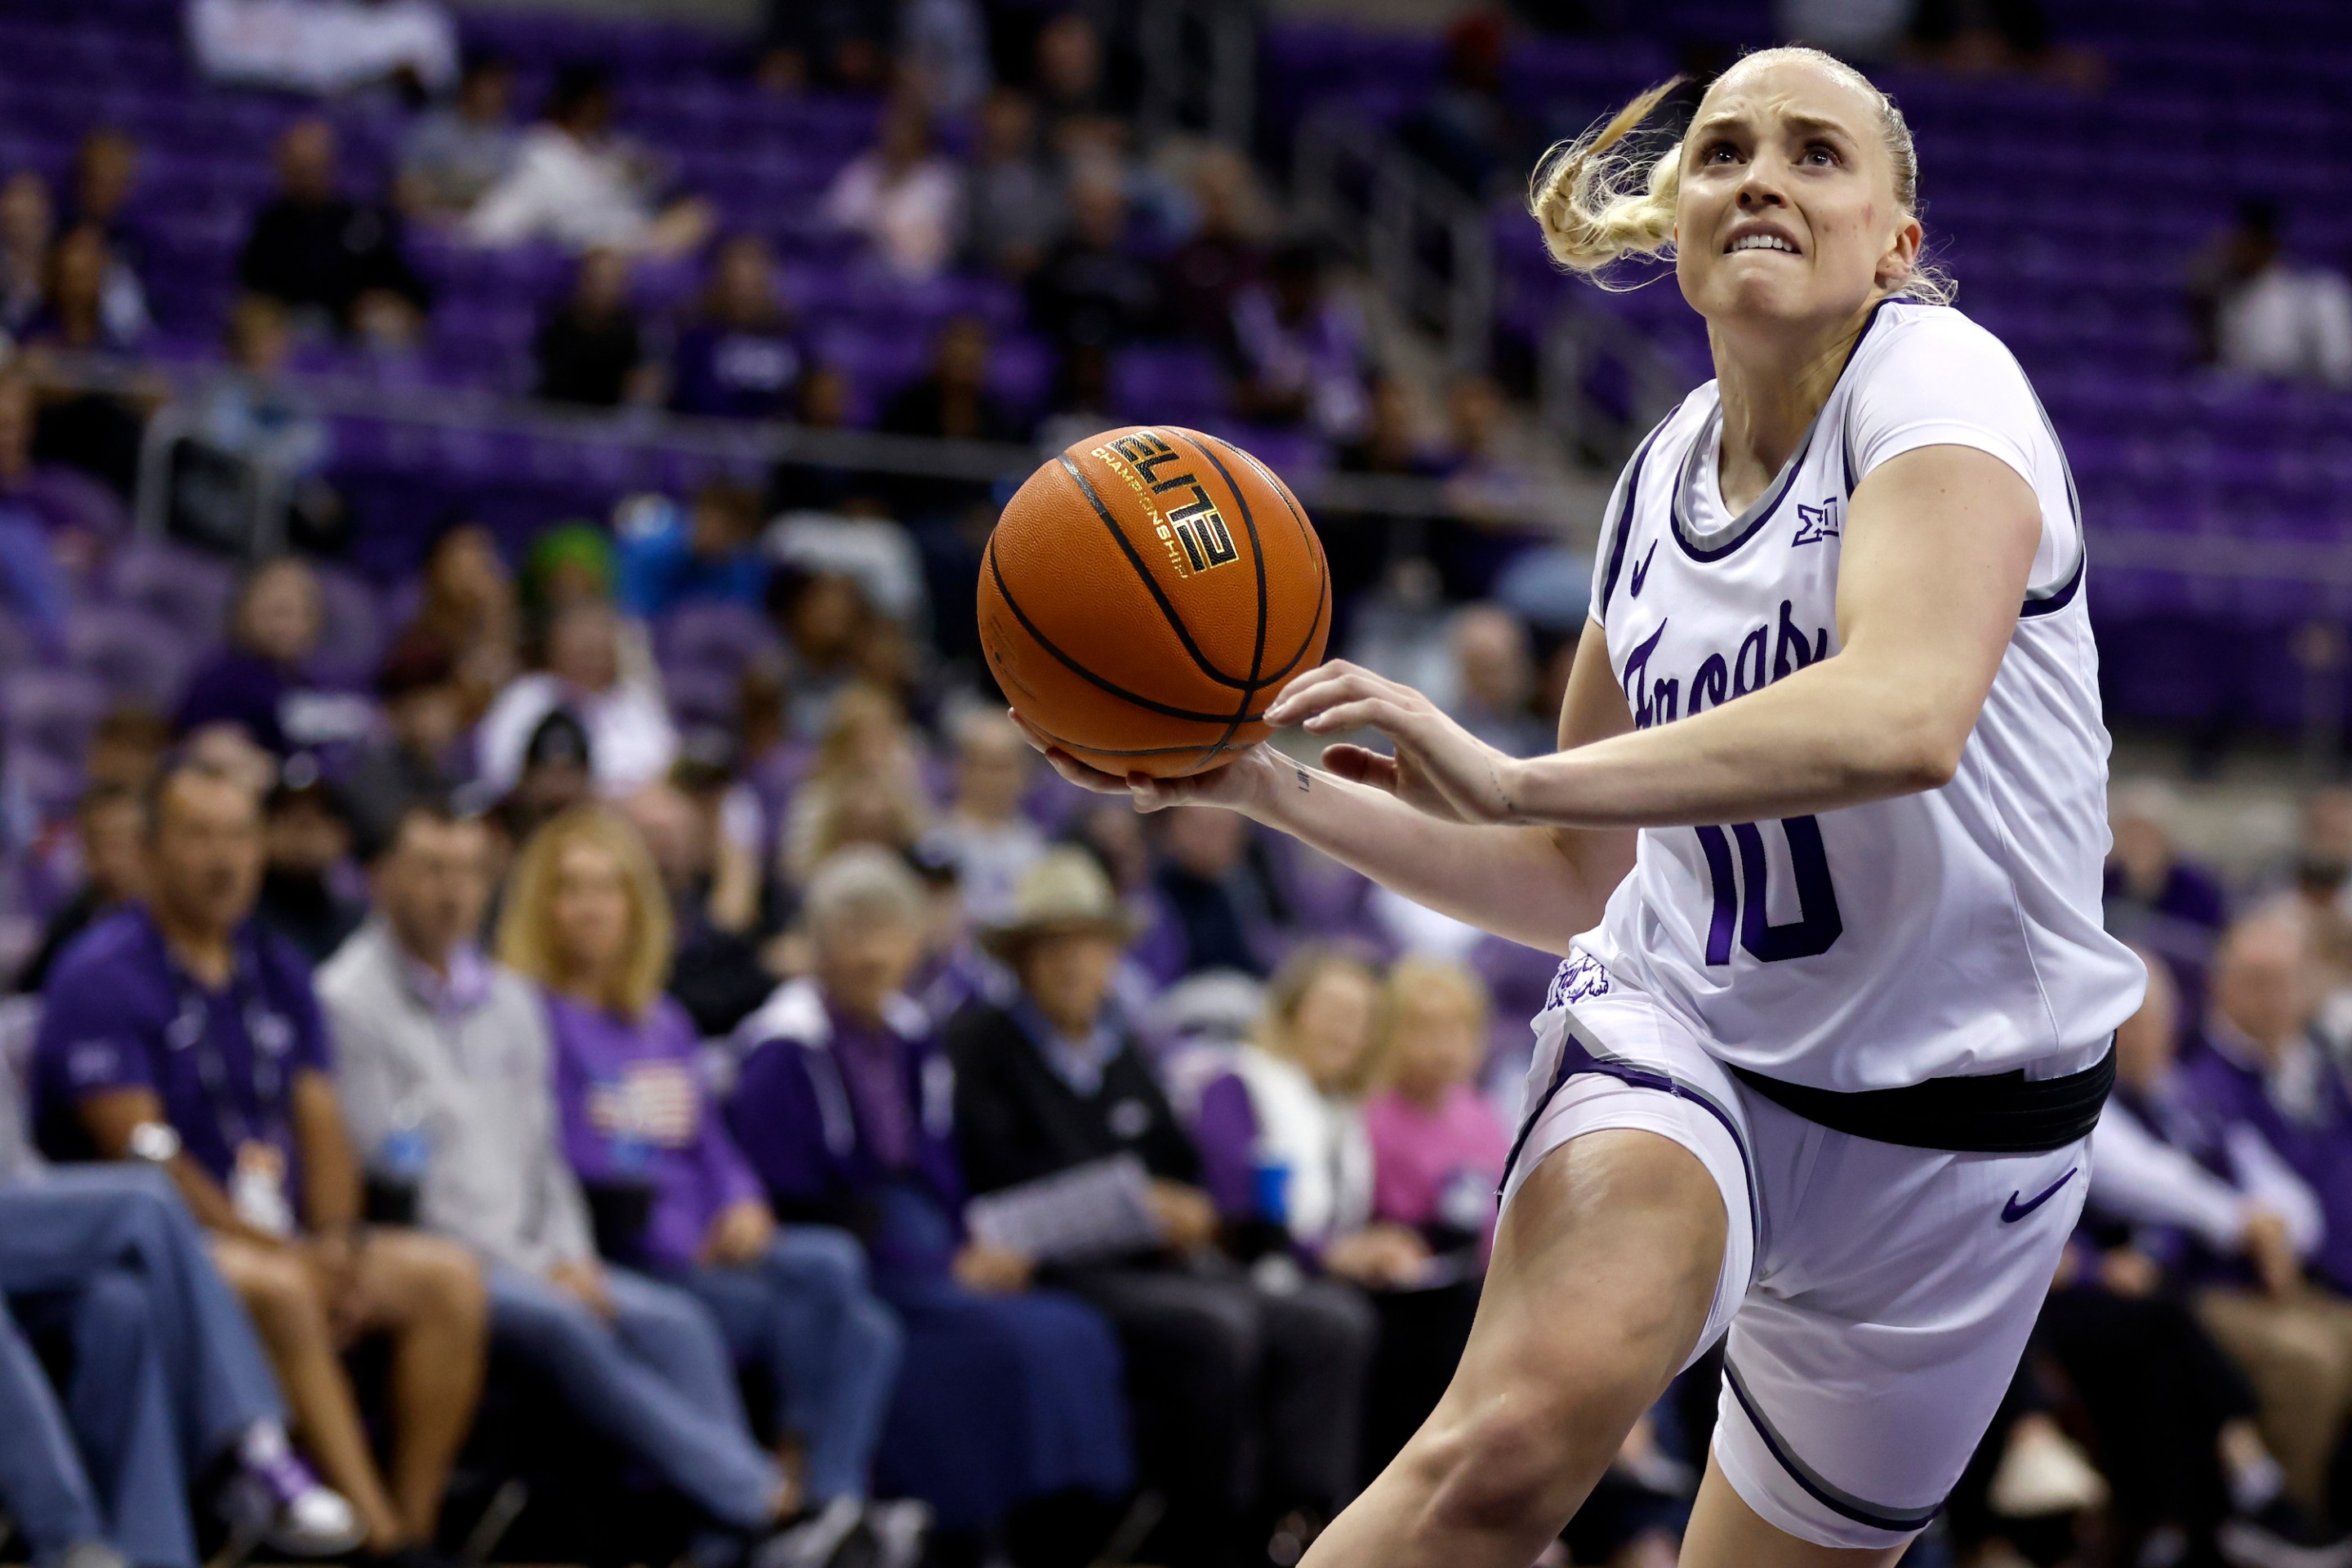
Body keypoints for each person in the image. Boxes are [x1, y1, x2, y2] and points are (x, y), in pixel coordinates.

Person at [1020, 47, 2145, 1566]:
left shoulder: (1944, 387)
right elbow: (1566, 874)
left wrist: (1510, 773)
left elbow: (1904, 713)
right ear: (1678, 217)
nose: (1760, 172)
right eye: (1726, 148)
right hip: (1695, 1051)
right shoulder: (1652, 486)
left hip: (1966, 1144)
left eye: (1818, 154)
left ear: (1898, 245)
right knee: (1501, 1452)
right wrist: (1259, 785)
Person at [314, 802, 818, 1560]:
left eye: (467, 872)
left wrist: (573, 1256)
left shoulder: (507, 998)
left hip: (539, 1250)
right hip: (439, 1260)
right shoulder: (348, 1002)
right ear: (383, 880)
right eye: (431, 871)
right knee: (568, 1324)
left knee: (677, 1326)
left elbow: (544, 1155)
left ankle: (721, 1549)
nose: (451, 892)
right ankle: (757, 1501)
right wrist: (541, 1272)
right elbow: (399, 1180)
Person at [31, 761, 488, 1566]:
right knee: (277, 1290)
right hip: (175, 1244)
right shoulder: (100, 973)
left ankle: (420, 1527)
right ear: (149, 848)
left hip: (288, 1234)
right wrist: (275, 1247)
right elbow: (140, 1150)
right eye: (198, 835)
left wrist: (341, 1238)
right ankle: (377, 1541)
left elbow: (321, 1121)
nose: (223, 858)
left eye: (240, 835)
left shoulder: (274, 967)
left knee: (446, 1277)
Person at [496, 806, 915, 1552]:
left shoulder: (661, 1020)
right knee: (847, 1315)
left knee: (846, 1284)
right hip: (633, 1251)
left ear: (636, 905)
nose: (593, 908)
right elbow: (560, 1156)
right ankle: (802, 1511)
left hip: (710, 1248)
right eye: (572, 890)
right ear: (541, 906)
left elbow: (711, 1144)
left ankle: (819, 1508)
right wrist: (692, 1234)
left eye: (610, 889)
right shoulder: (531, 1017)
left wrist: (745, 1204)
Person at [948, 849, 1374, 1566]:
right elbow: (992, 1174)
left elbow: (1179, 1163)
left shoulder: (1122, 1045)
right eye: (1055, 945)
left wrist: (1186, 1207)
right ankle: (1210, 1539)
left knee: (1330, 1322)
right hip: (1053, 1265)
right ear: (1022, 958)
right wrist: (1121, 1202)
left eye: (1089, 943)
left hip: (1155, 1256)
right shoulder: (982, 1045)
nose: (1075, 963)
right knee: (1217, 1329)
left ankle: (1307, 1526)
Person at [724, 848, 1133, 1547]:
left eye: (888, 932)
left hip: (929, 1245)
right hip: (855, 1260)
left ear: (916, 942)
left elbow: (940, 1167)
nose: (873, 955)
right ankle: (969, 1532)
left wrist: (972, 1246)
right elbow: (786, 1196)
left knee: (1075, 1329)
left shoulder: (912, 1037)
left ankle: (1069, 1527)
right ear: (818, 947)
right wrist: (933, 1262)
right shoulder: (782, 1052)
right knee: (1010, 1346)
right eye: (852, 935)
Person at [1192, 947, 1482, 1484]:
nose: (1346, 1031)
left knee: (1459, 1310)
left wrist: (1389, 1244)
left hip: (1321, 1273)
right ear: (1291, 1012)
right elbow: (1237, 1209)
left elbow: (1350, 1220)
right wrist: (1328, 1254)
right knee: (1345, 1324)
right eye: (1332, 1013)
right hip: (1251, 1271)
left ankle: (1439, 1498)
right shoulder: (1238, 1082)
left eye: (1361, 1020)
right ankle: (1316, 1513)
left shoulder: (1342, 1109)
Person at [466, 64, 712, 257]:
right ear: (578, 105)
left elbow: (663, 178)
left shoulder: (613, 147)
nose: (604, 113)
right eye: (596, 105)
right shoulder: (543, 152)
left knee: (698, 215)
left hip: (631, 238)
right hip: (593, 249)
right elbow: (492, 225)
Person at [1363, 956, 1510, 1263]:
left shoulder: (1483, 1114)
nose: (1446, 1045)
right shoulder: (1368, 1117)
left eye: (1460, 1027)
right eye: (1426, 1027)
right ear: (1388, 1033)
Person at [237, 118, 427, 345]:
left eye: (313, 166)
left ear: (331, 166)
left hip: (354, 327)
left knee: (387, 322)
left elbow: (402, 285)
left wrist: (382, 303)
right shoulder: (269, 225)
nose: (305, 177)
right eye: (297, 167)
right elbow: (255, 288)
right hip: (287, 328)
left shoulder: (361, 221)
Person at [475, 599, 677, 795]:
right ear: (556, 649)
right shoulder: (527, 697)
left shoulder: (634, 699)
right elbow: (501, 772)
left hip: (637, 815)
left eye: (601, 650)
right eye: (586, 651)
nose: (595, 661)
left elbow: (668, 762)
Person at [174, 556, 363, 758]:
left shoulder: (307, 680)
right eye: (277, 612)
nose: (286, 626)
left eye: (301, 613)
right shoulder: (220, 678)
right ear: (245, 610)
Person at [2187, 197, 2352, 387]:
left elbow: (2341, 371)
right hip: (2247, 407)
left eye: (2249, 242)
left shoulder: (2316, 294)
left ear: (2269, 244)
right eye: (2237, 242)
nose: (2239, 250)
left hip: (2303, 405)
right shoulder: (2224, 298)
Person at [342, 637, 467, 861]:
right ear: (394, 714)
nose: (432, 721)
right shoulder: (371, 779)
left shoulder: (453, 774)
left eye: (440, 706)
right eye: (421, 708)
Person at [15, 782, 146, 995]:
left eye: (119, 841)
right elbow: (28, 994)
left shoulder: (173, 921)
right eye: (96, 842)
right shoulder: (72, 920)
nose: (109, 858)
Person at [917, 709, 1044, 924]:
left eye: (1010, 766)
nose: (1003, 779)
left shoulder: (1034, 846)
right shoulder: (936, 847)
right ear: (963, 769)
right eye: (993, 767)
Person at [821, 98, 962, 286]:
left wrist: (875, 225)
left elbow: (925, 240)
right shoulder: (864, 168)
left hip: (917, 278)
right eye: (893, 129)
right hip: (859, 271)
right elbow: (834, 217)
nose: (897, 137)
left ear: (923, 137)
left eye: (906, 130)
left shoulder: (941, 179)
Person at [668, 234, 803, 421]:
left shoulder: (790, 334)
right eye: (736, 279)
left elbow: (798, 399)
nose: (744, 289)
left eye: (752, 279)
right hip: (706, 440)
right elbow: (687, 397)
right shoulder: (697, 334)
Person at [614, 479, 768, 621]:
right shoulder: (650, 553)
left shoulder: (743, 572)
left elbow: (739, 622)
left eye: (728, 530)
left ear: (742, 535)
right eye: (712, 521)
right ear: (699, 513)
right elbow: (636, 614)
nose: (716, 534)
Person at [396, 53, 521, 221]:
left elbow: (508, 198)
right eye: (486, 88)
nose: (492, 96)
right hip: (433, 219)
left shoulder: (512, 141)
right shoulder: (434, 128)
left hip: (484, 225)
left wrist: (449, 187)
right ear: (467, 87)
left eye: (499, 89)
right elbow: (406, 189)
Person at [961, 89, 1062, 282]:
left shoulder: (1050, 172)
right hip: (984, 276)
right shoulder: (968, 177)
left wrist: (1037, 248)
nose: (1009, 126)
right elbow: (965, 230)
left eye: (1016, 117)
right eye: (1002, 116)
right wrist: (1001, 252)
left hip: (1044, 276)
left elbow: (1060, 218)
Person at [533, 247, 650, 408]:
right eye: (597, 280)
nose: (604, 289)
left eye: (613, 281)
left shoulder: (634, 334)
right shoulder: (552, 325)